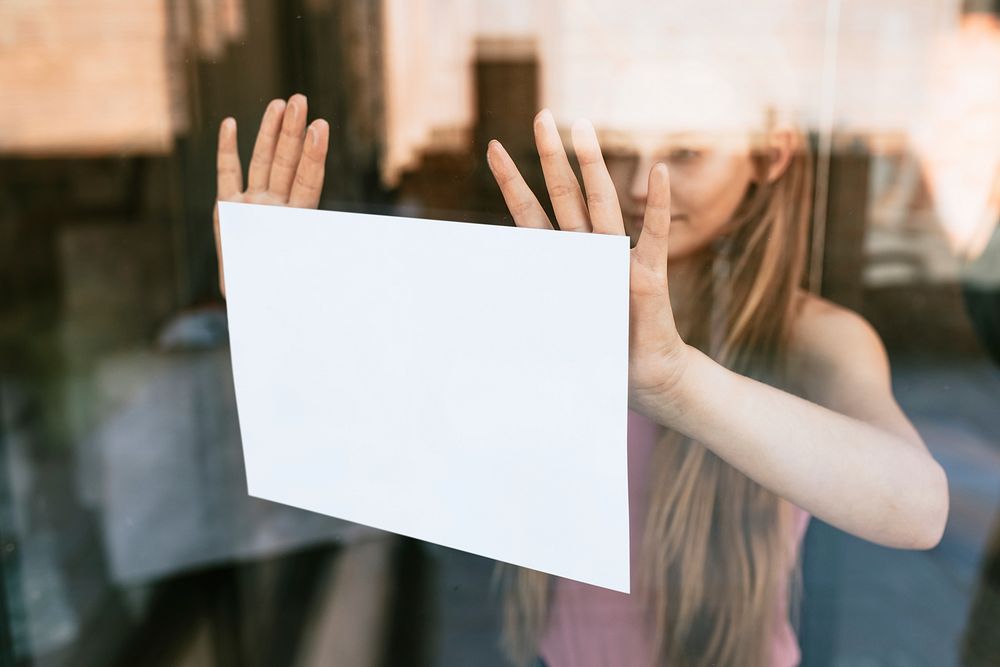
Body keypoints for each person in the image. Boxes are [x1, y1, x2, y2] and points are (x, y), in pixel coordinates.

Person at [211, 78, 949, 665]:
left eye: (687, 152)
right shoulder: (541, 307)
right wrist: (280, 307)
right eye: (619, 149)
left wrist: (674, 382)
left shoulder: (815, 336)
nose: (639, 184)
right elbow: (378, 446)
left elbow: (918, 508)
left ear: (771, 154)